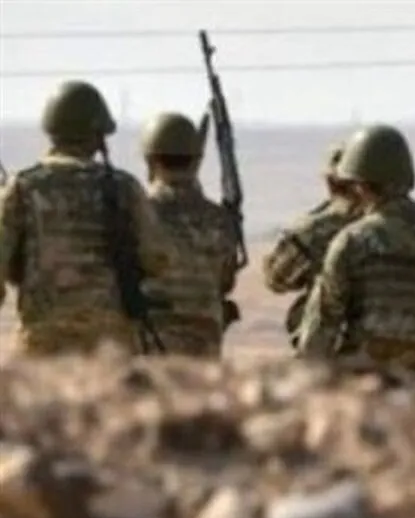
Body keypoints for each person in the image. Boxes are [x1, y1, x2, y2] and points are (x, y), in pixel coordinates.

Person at [0, 79, 172, 355]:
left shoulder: (22, 187)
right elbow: (157, 259)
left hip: (42, 341)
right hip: (110, 343)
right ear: (98, 134)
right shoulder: (124, 187)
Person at [295, 124, 415, 377]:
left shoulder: (352, 240)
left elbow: (323, 323)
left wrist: (308, 381)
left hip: (367, 378)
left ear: (359, 185)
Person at [140, 111, 239, 358]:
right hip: (204, 348)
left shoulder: (138, 213)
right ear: (196, 160)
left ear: (151, 159)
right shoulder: (219, 219)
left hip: (151, 347)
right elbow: (225, 281)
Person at [263, 142, 361, 349]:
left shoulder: (316, 228)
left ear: (331, 182)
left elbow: (276, 280)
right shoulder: (408, 224)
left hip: (332, 345)